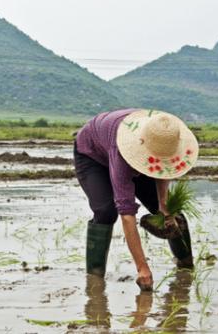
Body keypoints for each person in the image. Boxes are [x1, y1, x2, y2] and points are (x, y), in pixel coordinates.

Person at [74, 109, 199, 291]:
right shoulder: (123, 151)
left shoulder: (163, 132)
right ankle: (94, 279)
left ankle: (186, 265)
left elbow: (164, 169)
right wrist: (142, 268)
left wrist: (163, 206)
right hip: (92, 155)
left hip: (134, 151)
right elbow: (127, 213)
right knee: (106, 211)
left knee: (169, 210)